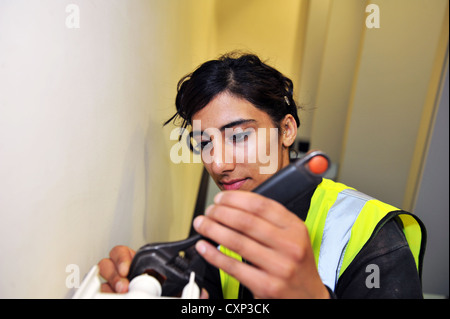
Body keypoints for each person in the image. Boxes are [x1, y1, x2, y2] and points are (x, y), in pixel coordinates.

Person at [98, 52, 426, 299]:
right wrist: (159, 287)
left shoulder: (374, 239)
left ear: (286, 130)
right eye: (204, 143)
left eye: (239, 136)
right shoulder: (220, 230)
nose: (219, 164)